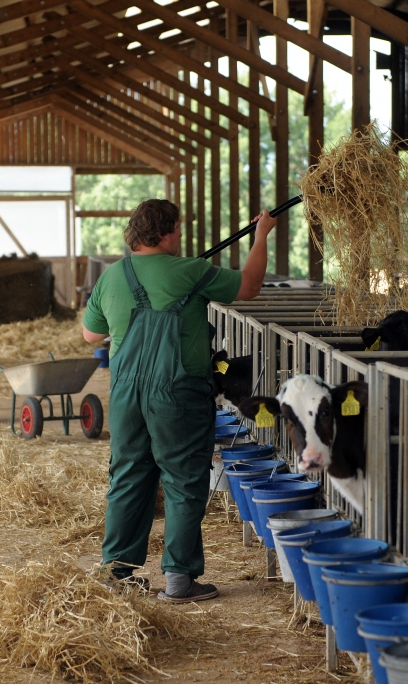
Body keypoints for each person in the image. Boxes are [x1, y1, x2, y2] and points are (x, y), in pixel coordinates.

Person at [82, 199, 275, 603]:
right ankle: (179, 579)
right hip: (176, 391)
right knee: (184, 479)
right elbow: (251, 286)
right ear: (167, 231)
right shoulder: (190, 270)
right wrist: (261, 237)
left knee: (128, 477)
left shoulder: (112, 276)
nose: (181, 236)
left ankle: (117, 574)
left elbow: (90, 335)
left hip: (125, 393)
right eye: (179, 229)